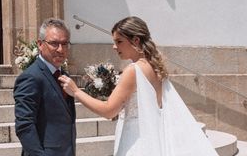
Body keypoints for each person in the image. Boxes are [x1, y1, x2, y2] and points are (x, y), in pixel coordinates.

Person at [58, 16, 218, 156]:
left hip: (136, 141)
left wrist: (76, 91)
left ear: (135, 40)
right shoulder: (155, 67)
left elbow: (108, 110)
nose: (115, 47)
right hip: (153, 138)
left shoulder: (133, 71)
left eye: (119, 41)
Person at [14, 18, 76, 156]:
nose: (61, 49)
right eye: (54, 43)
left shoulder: (63, 76)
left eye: (65, 43)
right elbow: (24, 125)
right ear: (40, 44)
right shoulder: (31, 77)